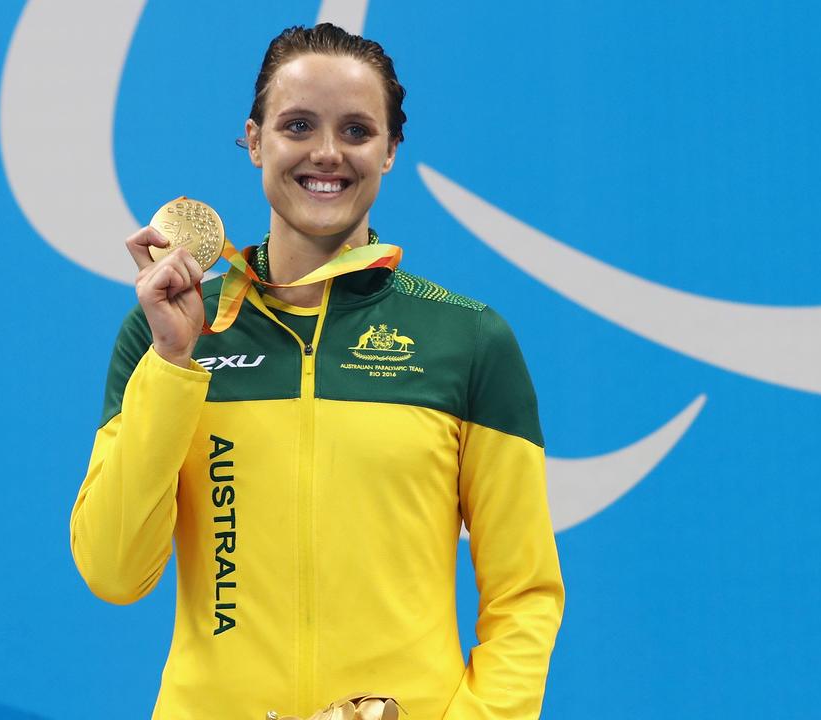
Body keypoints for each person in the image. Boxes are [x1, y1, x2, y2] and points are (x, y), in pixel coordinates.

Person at [70, 23, 563, 719]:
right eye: (298, 125)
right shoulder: (166, 334)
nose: (326, 154)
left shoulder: (468, 339)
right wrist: (174, 362)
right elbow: (113, 571)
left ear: (391, 150)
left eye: (357, 131)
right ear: (254, 139)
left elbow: (525, 594)